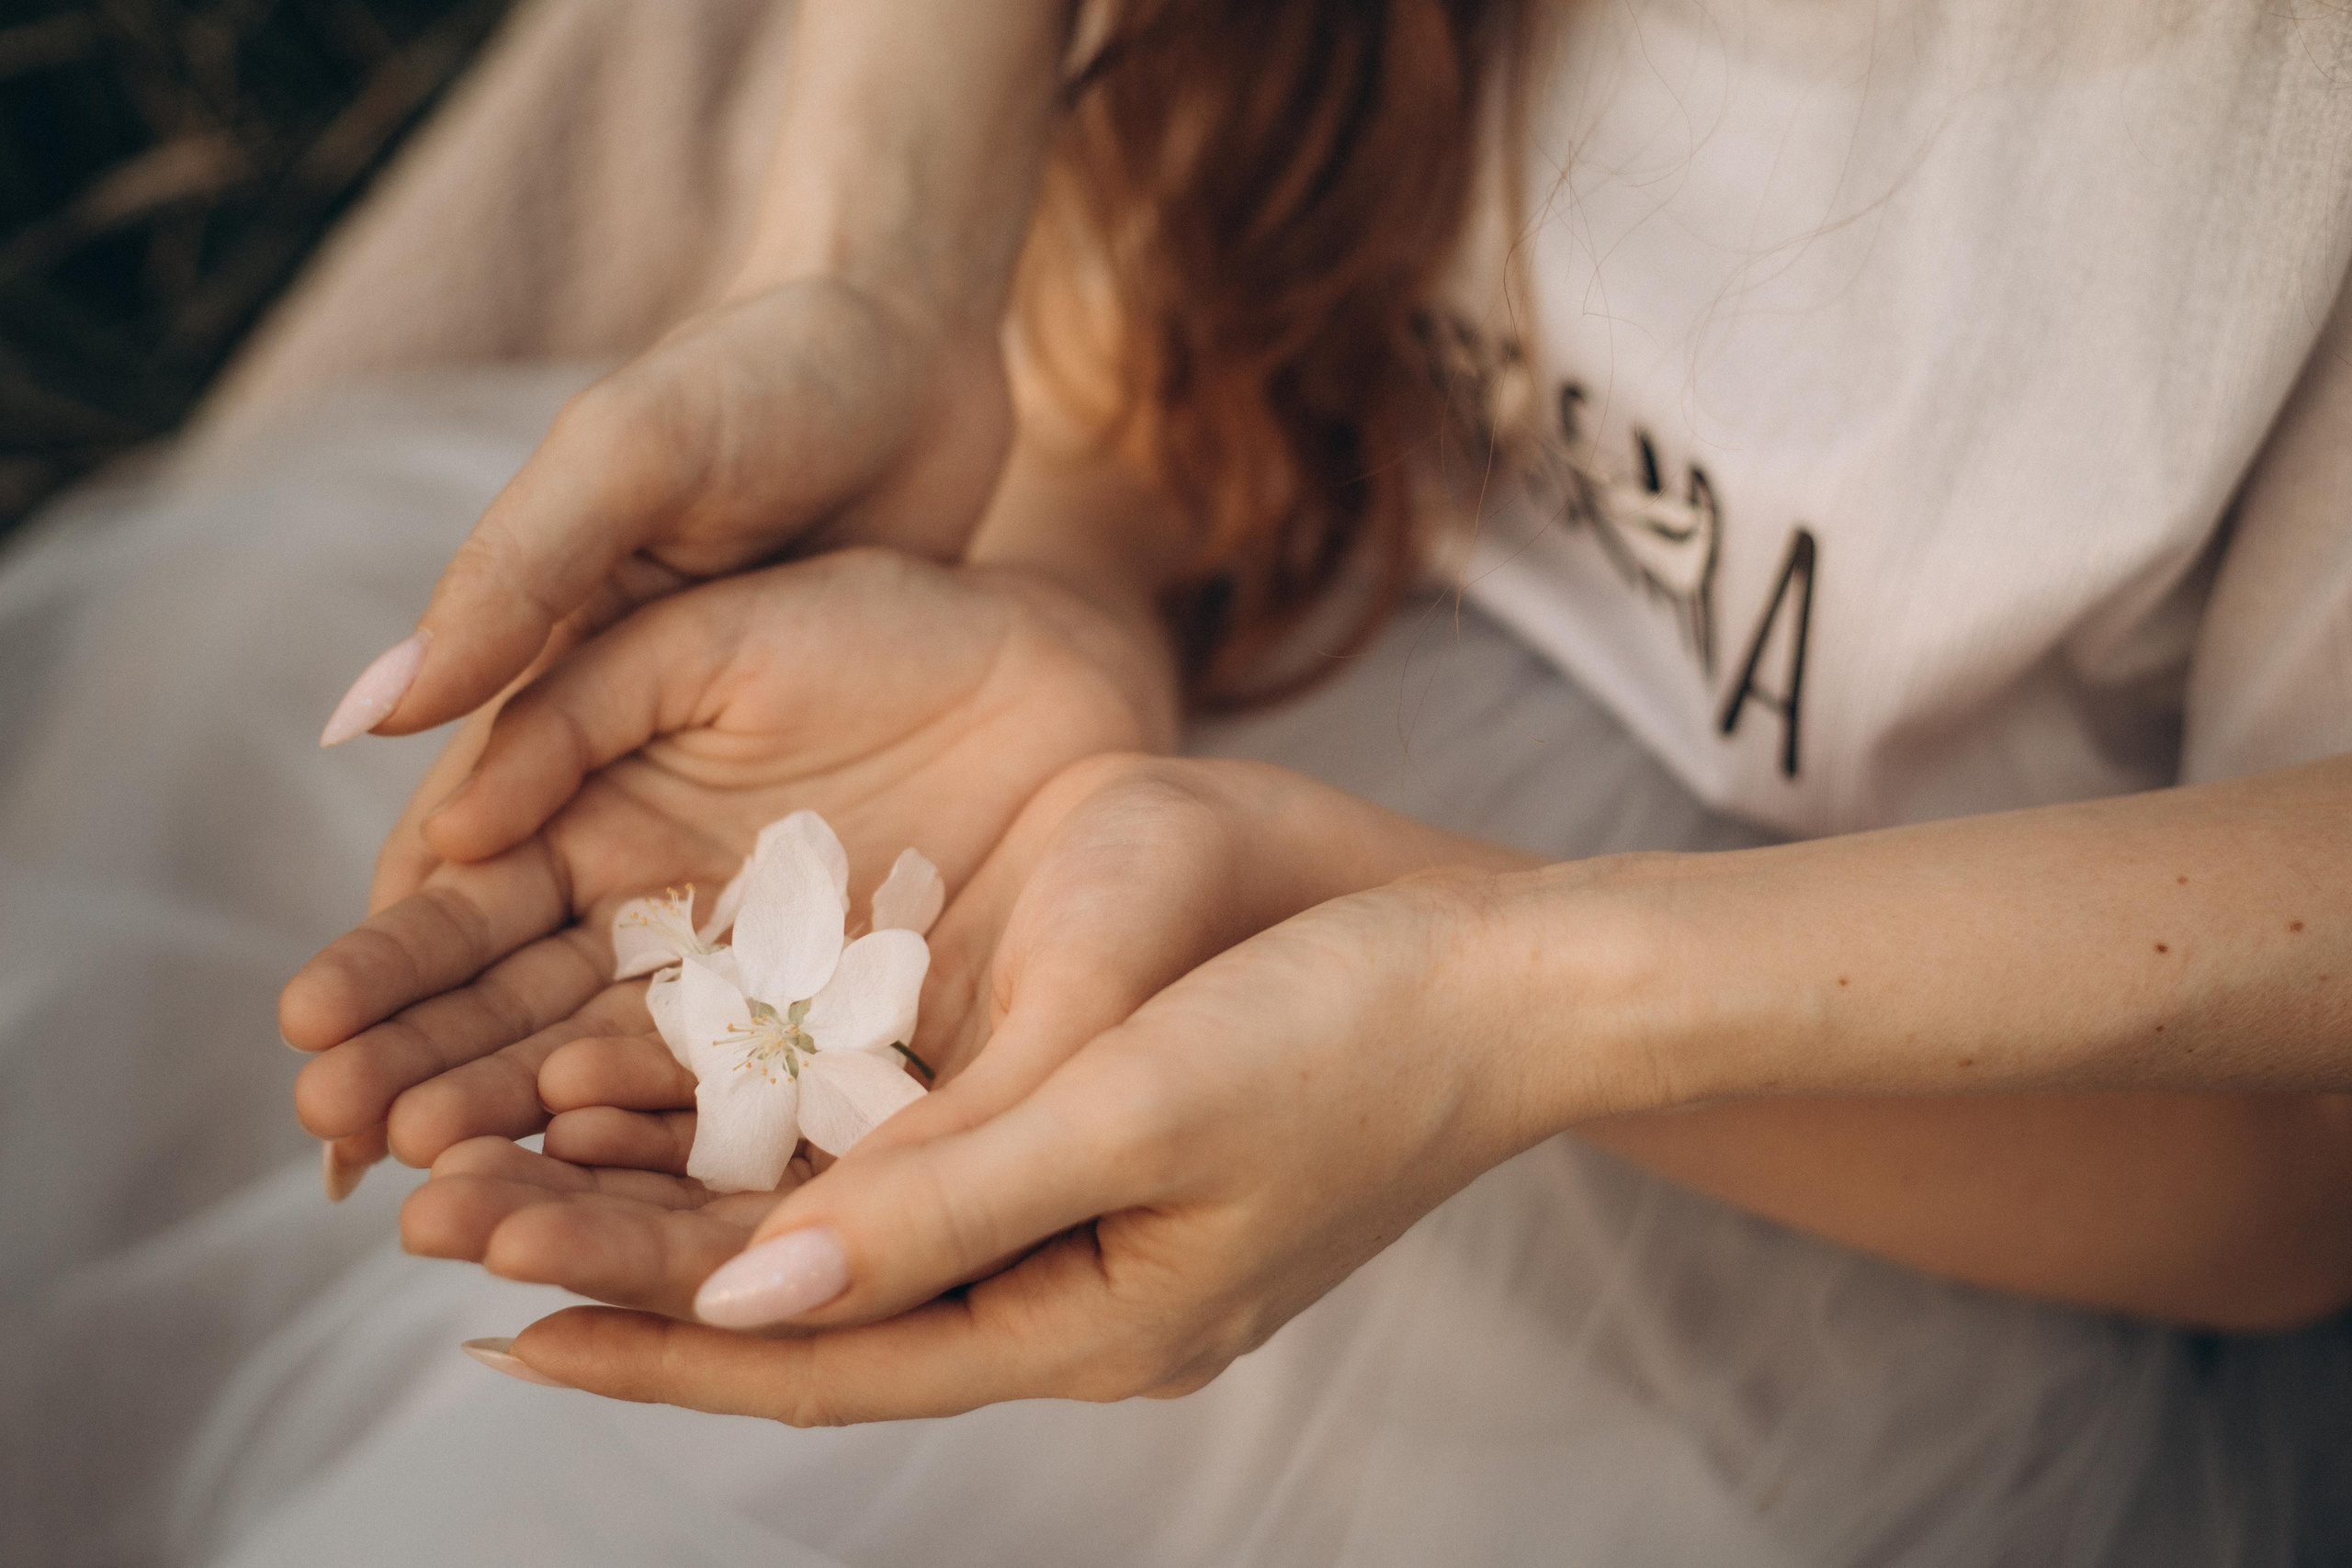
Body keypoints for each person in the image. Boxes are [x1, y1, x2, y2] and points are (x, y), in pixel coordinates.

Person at [6, 1, 2348, 1563]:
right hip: (1216, 626)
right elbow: (1154, 278)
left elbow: (2274, 1172)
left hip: (1860, 1086)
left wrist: (1463, 984)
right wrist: (945, 367)